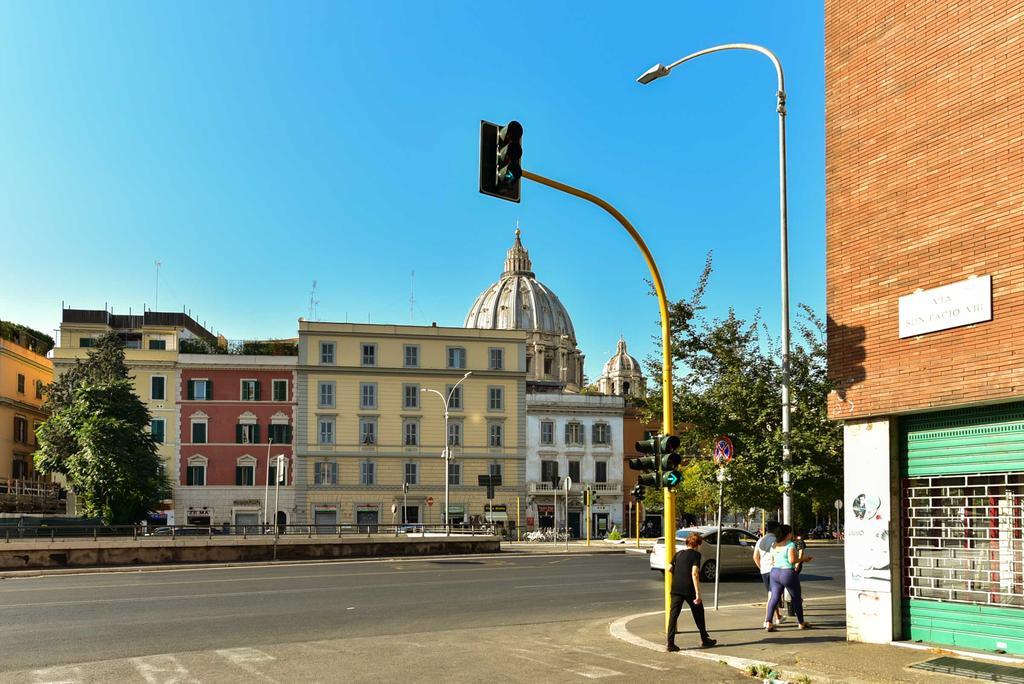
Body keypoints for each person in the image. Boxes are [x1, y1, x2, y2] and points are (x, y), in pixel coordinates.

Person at [666, 532, 717, 651]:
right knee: (699, 612)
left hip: (676, 588)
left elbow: (669, 568)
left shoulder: (678, 554)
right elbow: (694, 573)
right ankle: (705, 639)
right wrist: (698, 593)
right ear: (697, 544)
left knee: (673, 615)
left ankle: (670, 643)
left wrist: (678, 575)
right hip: (689, 589)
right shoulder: (696, 555)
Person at [763, 524, 814, 631]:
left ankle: (768, 622)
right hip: (787, 573)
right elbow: (791, 560)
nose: (791, 535)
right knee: (796, 598)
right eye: (790, 533)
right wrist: (804, 559)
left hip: (775, 572)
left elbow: (772, 560)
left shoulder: (774, 545)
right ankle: (801, 622)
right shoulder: (790, 545)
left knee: (774, 597)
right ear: (787, 534)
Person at [753, 520, 784, 625]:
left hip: (764, 571)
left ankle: (778, 616)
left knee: (772, 595)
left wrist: (761, 567)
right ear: (776, 529)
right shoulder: (776, 540)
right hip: (774, 570)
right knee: (772, 597)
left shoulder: (760, 541)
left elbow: (755, 557)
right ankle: (767, 620)